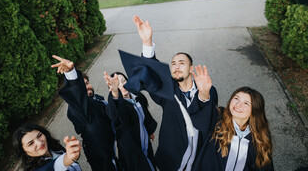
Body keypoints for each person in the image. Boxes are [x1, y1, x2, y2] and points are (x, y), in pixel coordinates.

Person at [128, 15, 218, 171]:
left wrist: (204, 94)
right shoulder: (169, 91)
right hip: (171, 161)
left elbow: (207, 117)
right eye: (173, 63)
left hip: (199, 160)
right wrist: (147, 42)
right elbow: (152, 74)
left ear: (191, 69)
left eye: (181, 63)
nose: (176, 66)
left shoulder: (208, 88)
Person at [51, 55, 121, 171]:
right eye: (82, 87)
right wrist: (71, 74)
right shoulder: (76, 109)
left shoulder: (97, 98)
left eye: (87, 83)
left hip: (109, 145)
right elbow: (79, 97)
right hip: (98, 152)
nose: (87, 87)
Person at [192, 87, 274, 171]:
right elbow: (200, 110)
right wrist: (204, 94)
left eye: (246, 103)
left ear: (255, 111)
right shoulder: (217, 118)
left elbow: (264, 166)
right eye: (236, 98)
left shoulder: (260, 137)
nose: (238, 104)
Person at [104, 71, 157, 171]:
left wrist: (150, 130)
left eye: (123, 81)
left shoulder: (137, 97)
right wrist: (115, 93)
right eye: (117, 83)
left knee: (150, 162)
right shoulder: (117, 106)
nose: (122, 85)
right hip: (130, 148)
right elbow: (115, 115)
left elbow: (145, 113)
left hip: (143, 138)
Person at [13, 123, 82, 171]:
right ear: (24, 152)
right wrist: (68, 158)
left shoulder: (53, 147)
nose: (40, 143)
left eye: (39, 135)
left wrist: (74, 154)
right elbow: (53, 167)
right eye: (31, 143)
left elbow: (71, 160)